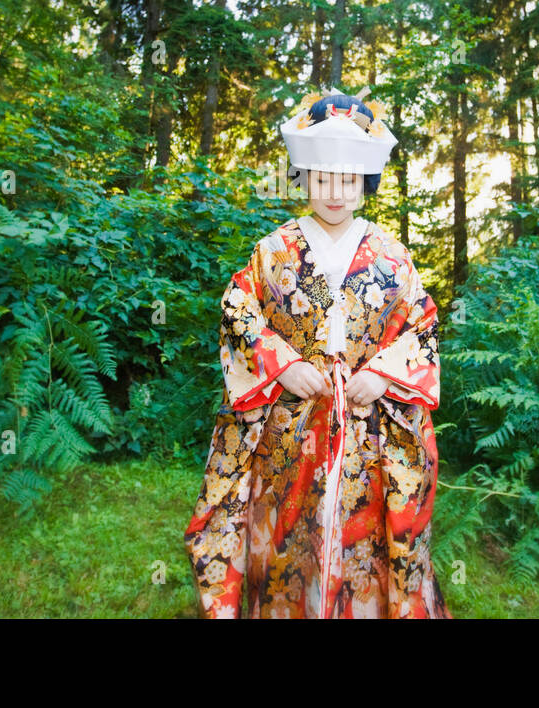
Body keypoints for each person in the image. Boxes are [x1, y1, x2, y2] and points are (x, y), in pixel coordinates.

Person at [183, 86, 452, 618]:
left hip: (367, 427)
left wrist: (383, 373)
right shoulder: (273, 250)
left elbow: (422, 326)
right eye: (323, 176)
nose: (335, 190)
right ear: (304, 177)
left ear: (365, 182)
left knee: (364, 539)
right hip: (289, 426)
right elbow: (239, 312)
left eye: (349, 178)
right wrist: (285, 365)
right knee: (288, 538)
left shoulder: (393, 257)